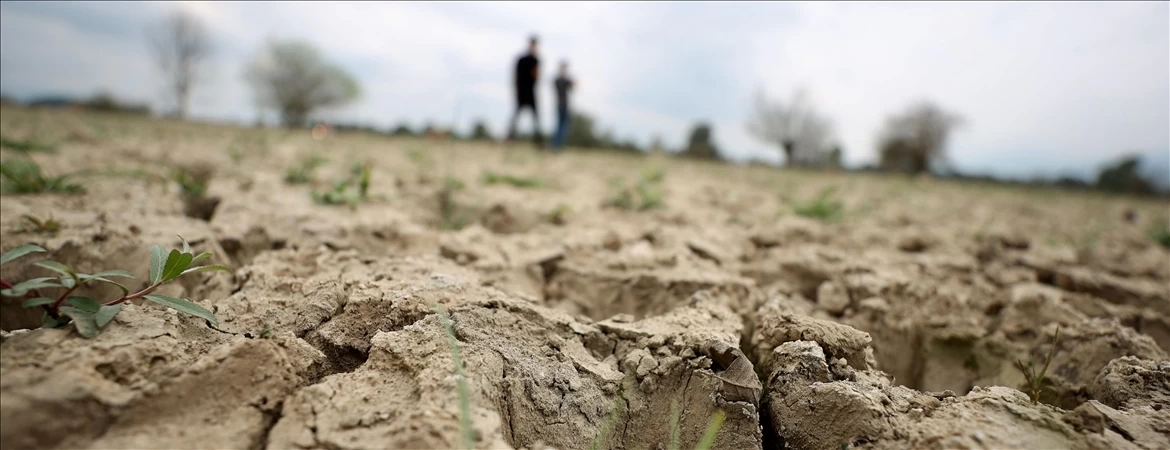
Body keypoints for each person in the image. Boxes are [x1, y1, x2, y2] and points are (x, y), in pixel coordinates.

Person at [507, 35, 543, 147]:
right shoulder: (522, 59)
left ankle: (537, 141)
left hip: (531, 92)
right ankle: (511, 138)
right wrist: (516, 90)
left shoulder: (536, 60)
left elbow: (537, 76)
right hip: (522, 91)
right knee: (516, 116)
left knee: (535, 117)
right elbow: (516, 76)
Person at [552, 60, 574, 151]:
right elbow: (571, 85)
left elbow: (571, 86)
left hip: (562, 105)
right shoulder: (560, 80)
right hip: (562, 105)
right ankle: (557, 146)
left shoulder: (559, 80)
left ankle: (557, 145)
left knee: (562, 126)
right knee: (561, 126)